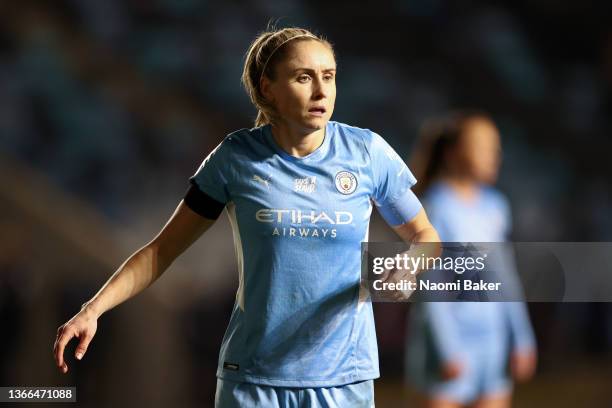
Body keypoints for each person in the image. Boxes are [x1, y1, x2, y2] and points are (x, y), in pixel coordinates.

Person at [53, 27, 440, 407]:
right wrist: (92, 310)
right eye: (304, 77)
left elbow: (425, 236)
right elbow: (161, 251)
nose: (322, 91)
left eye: (329, 77)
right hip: (254, 379)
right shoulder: (235, 159)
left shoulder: (366, 152)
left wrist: (409, 265)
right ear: (267, 87)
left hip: (343, 377)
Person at [404, 111, 537, 408]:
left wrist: (522, 338)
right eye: (483, 146)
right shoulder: (435, 209)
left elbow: (506, 278)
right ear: (452, 153)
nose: (495, 155)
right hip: (451, 348)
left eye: (496, 146)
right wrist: (447, 349)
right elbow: (431, 287)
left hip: (494, 345)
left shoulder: (495, 206)